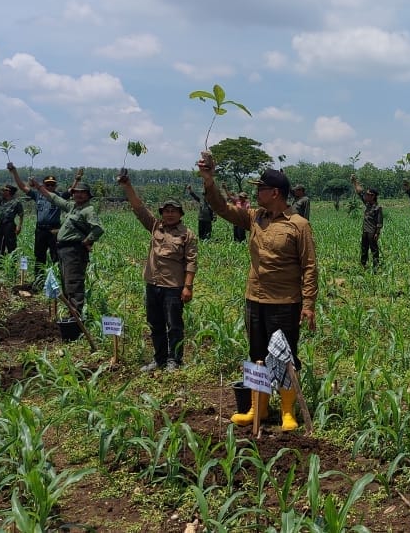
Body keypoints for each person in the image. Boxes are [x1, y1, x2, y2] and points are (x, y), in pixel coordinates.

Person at [197, 161, 317, 432]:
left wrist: (308, 304)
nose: (256, 193)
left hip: (285, 301)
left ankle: (287, 411)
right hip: (255, 299)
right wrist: (209, 180)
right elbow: (221, 208)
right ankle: (258, 408)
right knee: (257, 354)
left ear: (275, 193)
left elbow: (309, 266)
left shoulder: (298, 225)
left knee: (285, 356)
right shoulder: (255, 217)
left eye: (260, 188)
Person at [119, 174, 197, 372]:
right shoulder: (155, 226)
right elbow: (139, 208)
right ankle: (160, 358)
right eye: (166, 211)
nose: (170, 214)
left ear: (181, 214)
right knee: (155, 323)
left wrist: (188, 287)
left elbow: (191, 261)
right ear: (162, 213)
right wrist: (127, 186)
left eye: (174, 211)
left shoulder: (187, 234)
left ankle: (175, 360)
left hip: (173, 286)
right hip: (153, 284)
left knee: (174, 325)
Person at [30, 177, 104, 319]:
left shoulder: (88, 210)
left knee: (73, 283)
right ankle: (72, 314)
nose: (78, 195)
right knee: (66, 283)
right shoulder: (72, 207)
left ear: (88, 195)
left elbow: (98, 229)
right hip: (64, 250)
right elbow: (54, 199)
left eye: (82, 193)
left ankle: (76, 317)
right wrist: (39, 187)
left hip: (75, 251)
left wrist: (86, 241)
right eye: (76, 192)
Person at [8, 163, 82, 285]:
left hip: (55, 231)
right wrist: (14, 171)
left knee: (56, 256)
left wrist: (77, 179)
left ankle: (58, 281)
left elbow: (71, 191)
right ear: (43, 185)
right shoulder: (37, 195)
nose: (50, 186)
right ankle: (39, 281)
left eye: (52, 184)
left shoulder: (59, 197)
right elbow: (22, 186)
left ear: (55, 186)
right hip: (40, 231)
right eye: (47, 184)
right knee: (39, 256)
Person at [350, 174, 382, 270]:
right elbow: (360, 192)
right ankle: (363, 265)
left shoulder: (377, 208)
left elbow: (379, 223)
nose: (366, 196)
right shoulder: (367, 204)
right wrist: (355, 182)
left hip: (372, 232)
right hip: (365, 231)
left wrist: (377, 233)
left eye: (368, 195)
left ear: (373, 196)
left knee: (374, 250)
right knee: (364, 249)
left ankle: (376, 267)